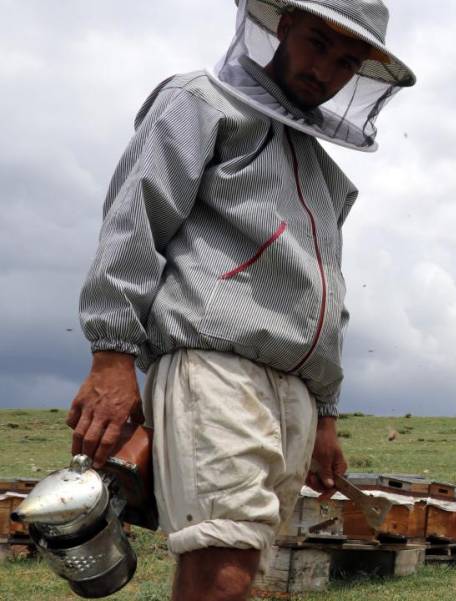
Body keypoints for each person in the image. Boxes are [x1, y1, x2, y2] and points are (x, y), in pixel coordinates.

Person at [66, 1, 415, 599]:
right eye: (316, 44)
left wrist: (326, 416)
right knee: (222, 560)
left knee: (241, 561)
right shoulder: (200, 101)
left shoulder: (321, 172)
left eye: (346, 61)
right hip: (215, 366)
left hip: (295, 392)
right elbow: (136, 217)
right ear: (282, 28)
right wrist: (112, 355)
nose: (325, 70)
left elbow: (328, 290)